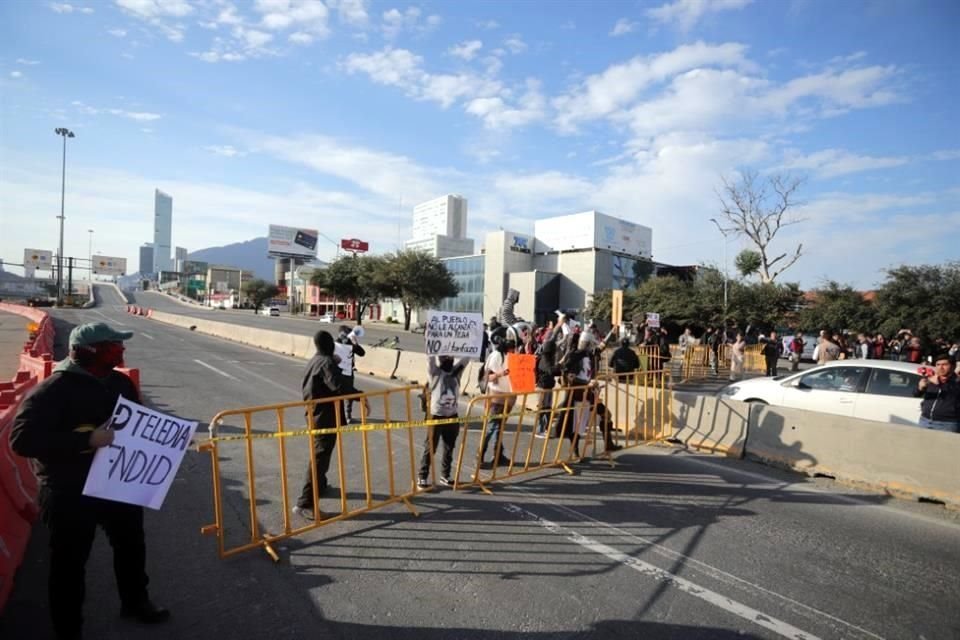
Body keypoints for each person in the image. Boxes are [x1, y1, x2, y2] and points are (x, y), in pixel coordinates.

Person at [11, 322, 170, 639]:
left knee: (131, 547)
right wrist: (84, 441)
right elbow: (21, 440)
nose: (122, 349)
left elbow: (136, 425)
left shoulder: (120, 384)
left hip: (116, 484)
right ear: (92, 351)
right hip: (70, 491)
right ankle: (68, 630)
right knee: (69, 565)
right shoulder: (53, 389)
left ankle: (135, 602)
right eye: (115, 345)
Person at [294, 330, 345, 520]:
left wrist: (334, 363)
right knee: (319, 457)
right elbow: (338, 386)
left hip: (315, 414)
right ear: (329, 344)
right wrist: (359, 396)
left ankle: (320, 485)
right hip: (324, 416)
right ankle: (305, 503)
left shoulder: (316, 360)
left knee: (322, 454)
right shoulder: (326, 362)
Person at [417, 355, 470, 487]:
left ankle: (445, 476)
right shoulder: (434, 372)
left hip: (452, 416)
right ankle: (422, 477)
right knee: (430, 447)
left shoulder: (457, 372)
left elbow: (466, 358)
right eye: (445, 357)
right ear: (440, 359)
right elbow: (429, 358)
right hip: (436, 416)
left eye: (450, 356)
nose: (449, 359)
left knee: (449, 447)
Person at [478, 326, 516, 467]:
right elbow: (488, 377)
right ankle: (480, 455)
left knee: (498, 428)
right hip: (496, 398)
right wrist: (501, 374)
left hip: (509, 399)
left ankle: (498, 455)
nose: (514, 348)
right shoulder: (495, 356)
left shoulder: (514, 357)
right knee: (493, 427)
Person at [914, 354, 960, 432]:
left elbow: (952, 393)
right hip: (925, 420)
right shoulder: (930, 379)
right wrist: (920, 388)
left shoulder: (957, 381)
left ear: (953, 366)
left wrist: (940, 384)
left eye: (944, 365)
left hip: (947, 423)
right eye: (938, 365)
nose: (940, 367)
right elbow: (915, 394)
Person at [336, 325, 367, 423]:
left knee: (349, 393)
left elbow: (362, 353)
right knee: (339, 393)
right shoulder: (336, 343)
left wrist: (355, 344)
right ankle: (339, 416)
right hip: (338, 371)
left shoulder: (351, 343)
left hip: (348, 371)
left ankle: (347, 415)